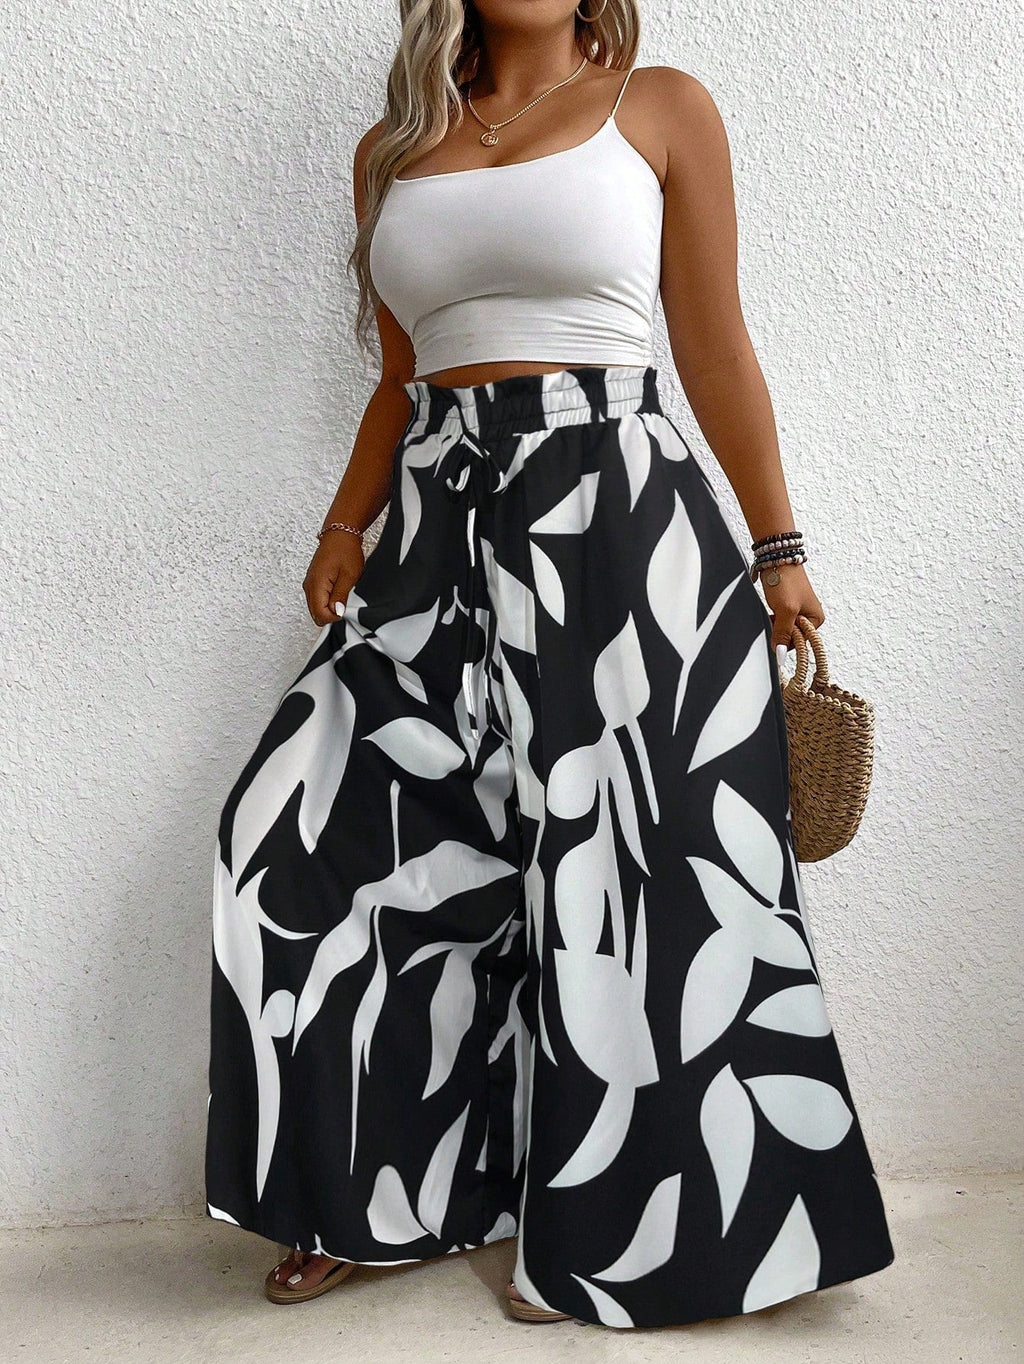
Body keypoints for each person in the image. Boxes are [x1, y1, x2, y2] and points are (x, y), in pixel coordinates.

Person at [205, 0, 895, 1331]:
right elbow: (401, 376)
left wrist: (778, 546)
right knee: (302, 839)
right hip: (435, 529)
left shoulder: (662, 105)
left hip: (620, 519)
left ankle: (615, 1237)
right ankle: (368, 1197)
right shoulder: (394, 148)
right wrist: (345, 525)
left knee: (622, 874)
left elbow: (714, 341)